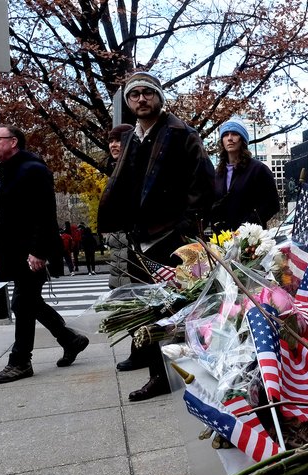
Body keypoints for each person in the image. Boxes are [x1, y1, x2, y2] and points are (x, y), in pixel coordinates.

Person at [99, 71, 215, 401]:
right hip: (139, 239)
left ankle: (191, 372)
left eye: (146, 93)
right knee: (149, 309)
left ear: (159, 97)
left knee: (177, 311)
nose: (140, 99)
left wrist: (183, 225)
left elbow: (203, 183)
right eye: (133, 95)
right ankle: (158, 375)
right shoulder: (133, 138)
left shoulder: (180, 133)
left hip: (170, 238)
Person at [0, 125, 89, 384]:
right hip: (16, 252)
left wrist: (38, 251)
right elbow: (6, 221)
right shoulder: (8, 173)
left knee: (23, 303)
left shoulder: (33, 170)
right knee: (27, 302)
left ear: (13, 142)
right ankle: (70, 339)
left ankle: (20, 361)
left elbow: (45, 214)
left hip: (32, 252)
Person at [211, 119, 280, 231]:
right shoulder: (217, 174)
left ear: (242, 139)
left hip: (251, 241)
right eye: (225, 135)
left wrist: (249, 226)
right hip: (222, 240)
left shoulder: (258, 169)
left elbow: (272, 205)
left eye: (234, 134)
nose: (229, 138)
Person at [103, 124, 134, 290]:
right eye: (111, 141)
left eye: (118, 141)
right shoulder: (114, 169)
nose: (113, 145)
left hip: (129, 240)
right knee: (121, 292)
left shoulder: (134, 168)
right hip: (118, 242)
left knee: (131, 292)